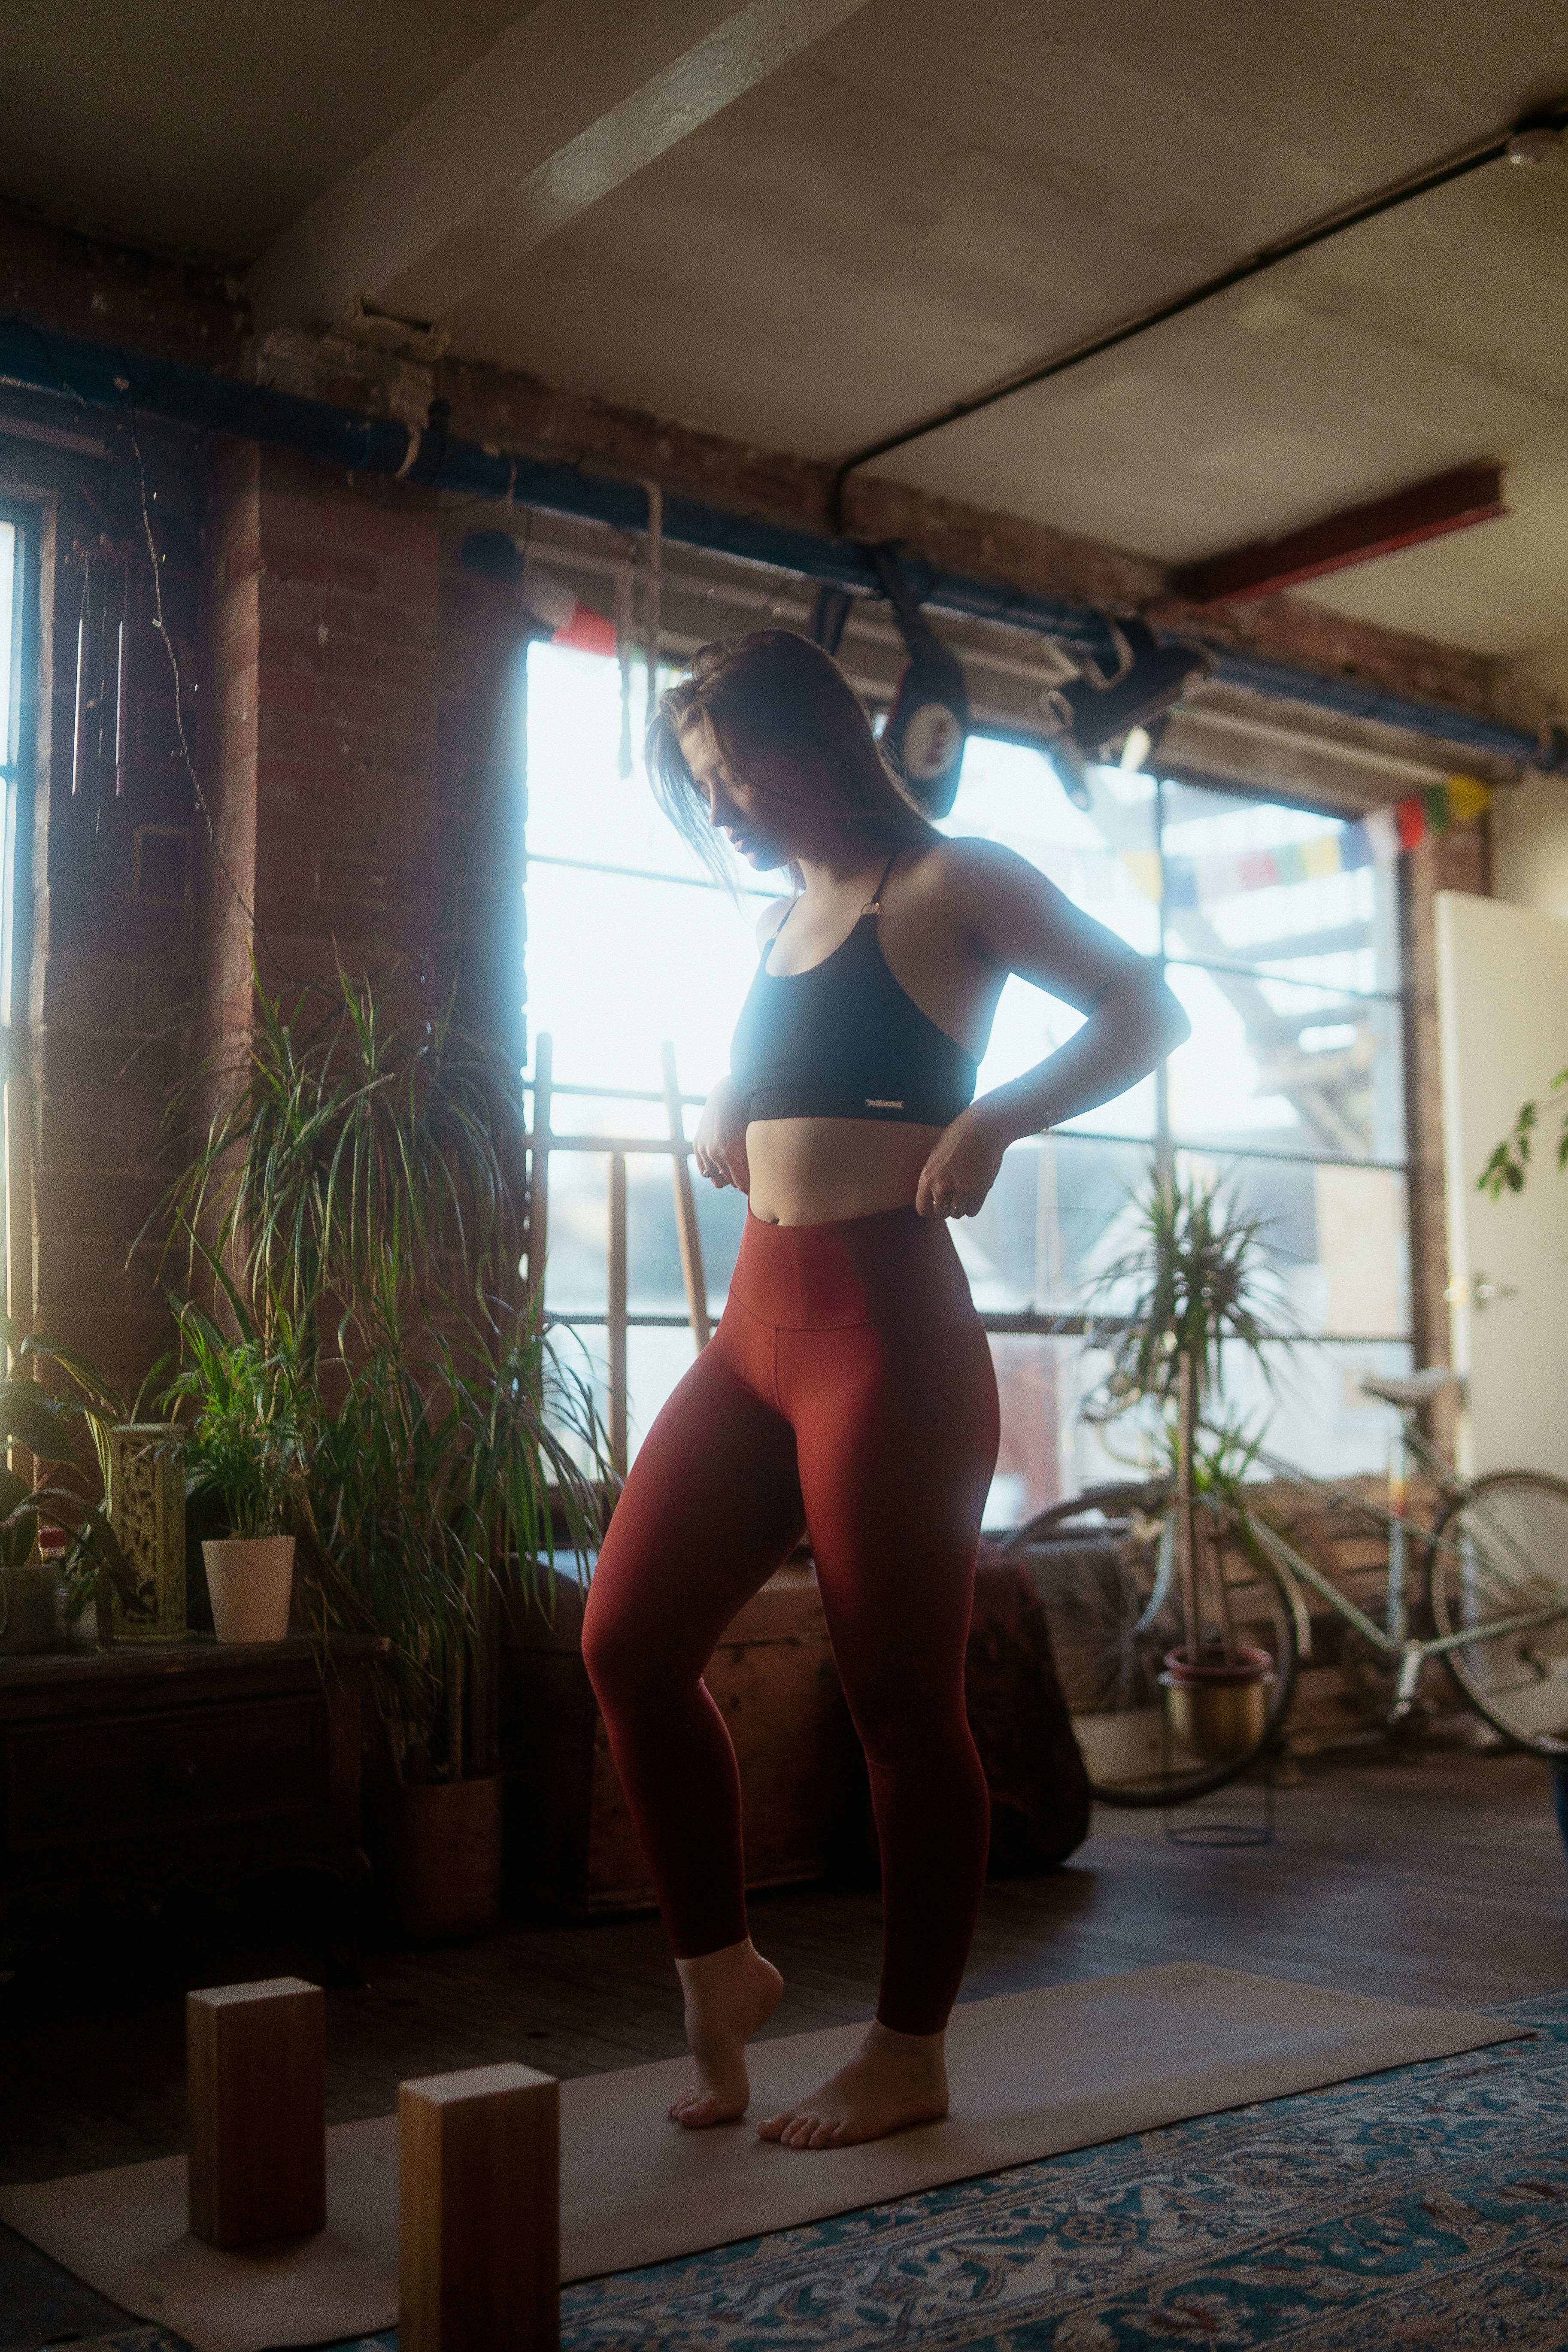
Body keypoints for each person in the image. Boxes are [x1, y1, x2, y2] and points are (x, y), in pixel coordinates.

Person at [580, 629, 1188, 2151]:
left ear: (812, 750)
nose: (722, 814)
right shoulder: (784, 921)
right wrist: (732, 1092)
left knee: (901, 1707)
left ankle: (910, 2049)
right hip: (750, 1338)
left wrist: (1000, 1116)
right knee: (627, 1642)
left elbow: (1143, 1010)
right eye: (703, 791)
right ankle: (723, 1975)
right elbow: (802, 1076)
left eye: (735, 779)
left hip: (889, 1344)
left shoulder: (955, 881)